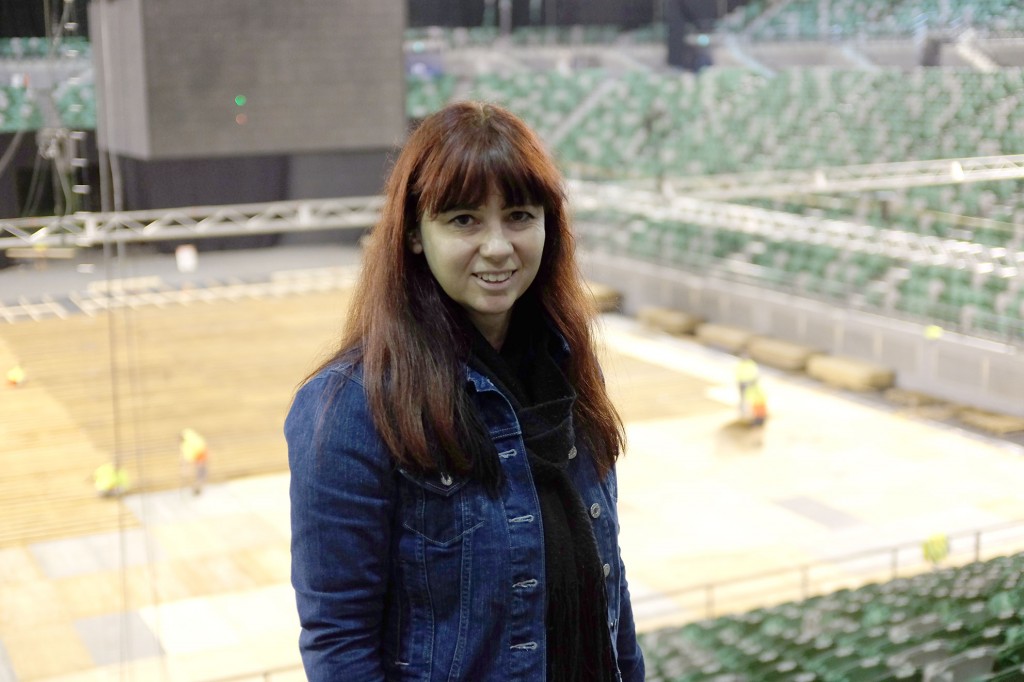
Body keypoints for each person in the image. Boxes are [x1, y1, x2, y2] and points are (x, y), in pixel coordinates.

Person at [285, 101, 645, 682]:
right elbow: (339, 640)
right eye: (464, 220)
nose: (499, 246)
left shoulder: (570, 370)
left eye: (521, 216)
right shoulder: (349, 407)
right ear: (413, 235)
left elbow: (609, 576)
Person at [179, 427, 208, 495]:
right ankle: (196, 486)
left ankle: (197, 485)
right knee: (200, 472)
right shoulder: (186, 442)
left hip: (200, 455)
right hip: (198, 456)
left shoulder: (189, 439)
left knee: (200, 472)